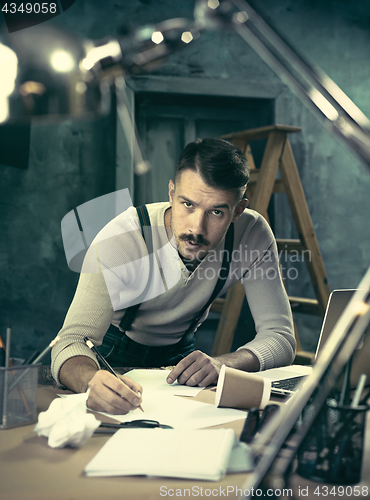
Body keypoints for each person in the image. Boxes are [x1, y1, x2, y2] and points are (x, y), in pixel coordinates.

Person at [51, 138, 295, 414]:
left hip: (180, 356)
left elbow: (281, 338)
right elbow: (70, 343)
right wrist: (89, 382)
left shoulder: (253, 234)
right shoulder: (123, 237)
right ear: (171, 193)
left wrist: (224, 364)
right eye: (188, 204)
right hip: (109, 355)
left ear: (238, 211)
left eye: (216, 211)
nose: (196, 228)